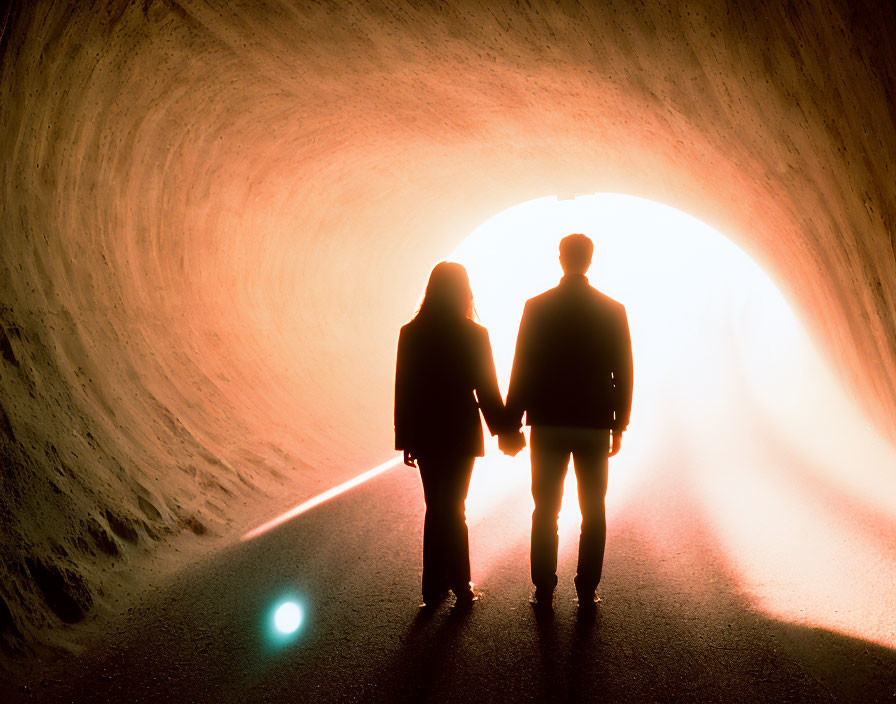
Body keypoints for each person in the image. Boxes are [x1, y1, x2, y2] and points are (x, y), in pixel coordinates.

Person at [503, 233, 633, 609]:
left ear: (560, 258)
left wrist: (512, 422)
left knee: (545, 508)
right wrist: (619, 423)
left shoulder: (536, 307)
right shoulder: (612, 309)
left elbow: (522, 367)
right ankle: (587, 588)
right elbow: (623, 371)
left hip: (547, 420)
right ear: (590, 260)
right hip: (593, 422)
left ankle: (543, 586)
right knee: (593, 509)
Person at [394, 262, 509, 608]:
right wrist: (506, 431)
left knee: (435, 506)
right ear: (464, 290)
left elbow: (405, 389)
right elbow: (487, 389)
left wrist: (406, 439)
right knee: (454, 507)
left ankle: (433, 590)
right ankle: (460, 585)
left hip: (427, 430)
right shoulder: (475, 334)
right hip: (461, 429)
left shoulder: (411, 332)